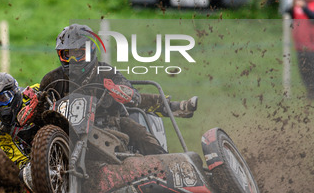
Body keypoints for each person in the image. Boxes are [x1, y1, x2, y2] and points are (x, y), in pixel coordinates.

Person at [39, 24, 198, 155]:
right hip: (67, 131)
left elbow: (127, 86)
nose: (73, 60)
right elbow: (40, 111)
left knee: (141, 135)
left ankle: (166, 166)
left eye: (79, 54)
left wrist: (124, 92)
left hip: (110, 125)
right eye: (67, 55)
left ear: (91, 51)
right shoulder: (51, 80)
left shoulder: (106, 72)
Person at [0, 72, 41, 193]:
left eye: (4, 99)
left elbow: (58, 87)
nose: (1, 107)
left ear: (15, 91)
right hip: (41, 156)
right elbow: (21, 161)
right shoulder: (0, 131)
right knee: (26, 175)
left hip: (63, 129)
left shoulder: (33, 91)